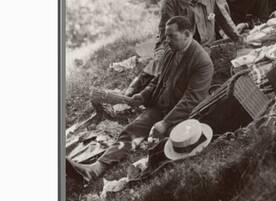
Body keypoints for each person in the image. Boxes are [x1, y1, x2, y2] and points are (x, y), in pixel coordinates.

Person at [66, 16, 214, 182]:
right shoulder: (171, 52)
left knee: (167, 146)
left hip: (182, 116)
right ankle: (95, 169)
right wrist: (142, 96)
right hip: (158, 109)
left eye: (172, 36)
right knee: (131, 130)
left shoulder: (202, 62)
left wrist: (165, 123)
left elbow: (192, 99)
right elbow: (157, 80)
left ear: (187, 34)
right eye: (166, 36)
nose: (167, 40)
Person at [124, 0, 239, 96]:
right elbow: (164, 34)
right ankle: (130, 95)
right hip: (180, 47)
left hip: (206, 47)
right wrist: (170, 53)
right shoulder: (170, 1)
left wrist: (238, 38)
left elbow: (226, 21)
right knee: (162, 64)